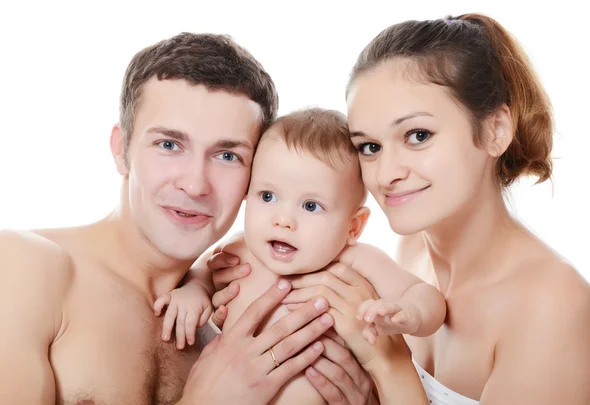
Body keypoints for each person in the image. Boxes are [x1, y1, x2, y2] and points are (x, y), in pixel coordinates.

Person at [209, 13, 590, 405]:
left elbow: (393, 371)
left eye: (417, 136)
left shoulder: (553, 306)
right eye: (370, 147)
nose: (387, 173)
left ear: (495, 130)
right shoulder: (411, 253)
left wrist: (388, 364)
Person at [0, 32, 377, 405]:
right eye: (169, 145)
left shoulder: (238, 328)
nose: (196, 184)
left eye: (227, 155)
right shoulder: (25, 267)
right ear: (121, 150)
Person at [154, 108, 447, 405]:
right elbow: (203, 269)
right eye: (267, 196)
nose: (283, 220)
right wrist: (193, 291)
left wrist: (409, 315)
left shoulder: (353, 261)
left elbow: (424, 294)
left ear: (353, 226)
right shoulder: (240, 251)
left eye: (310, 206)